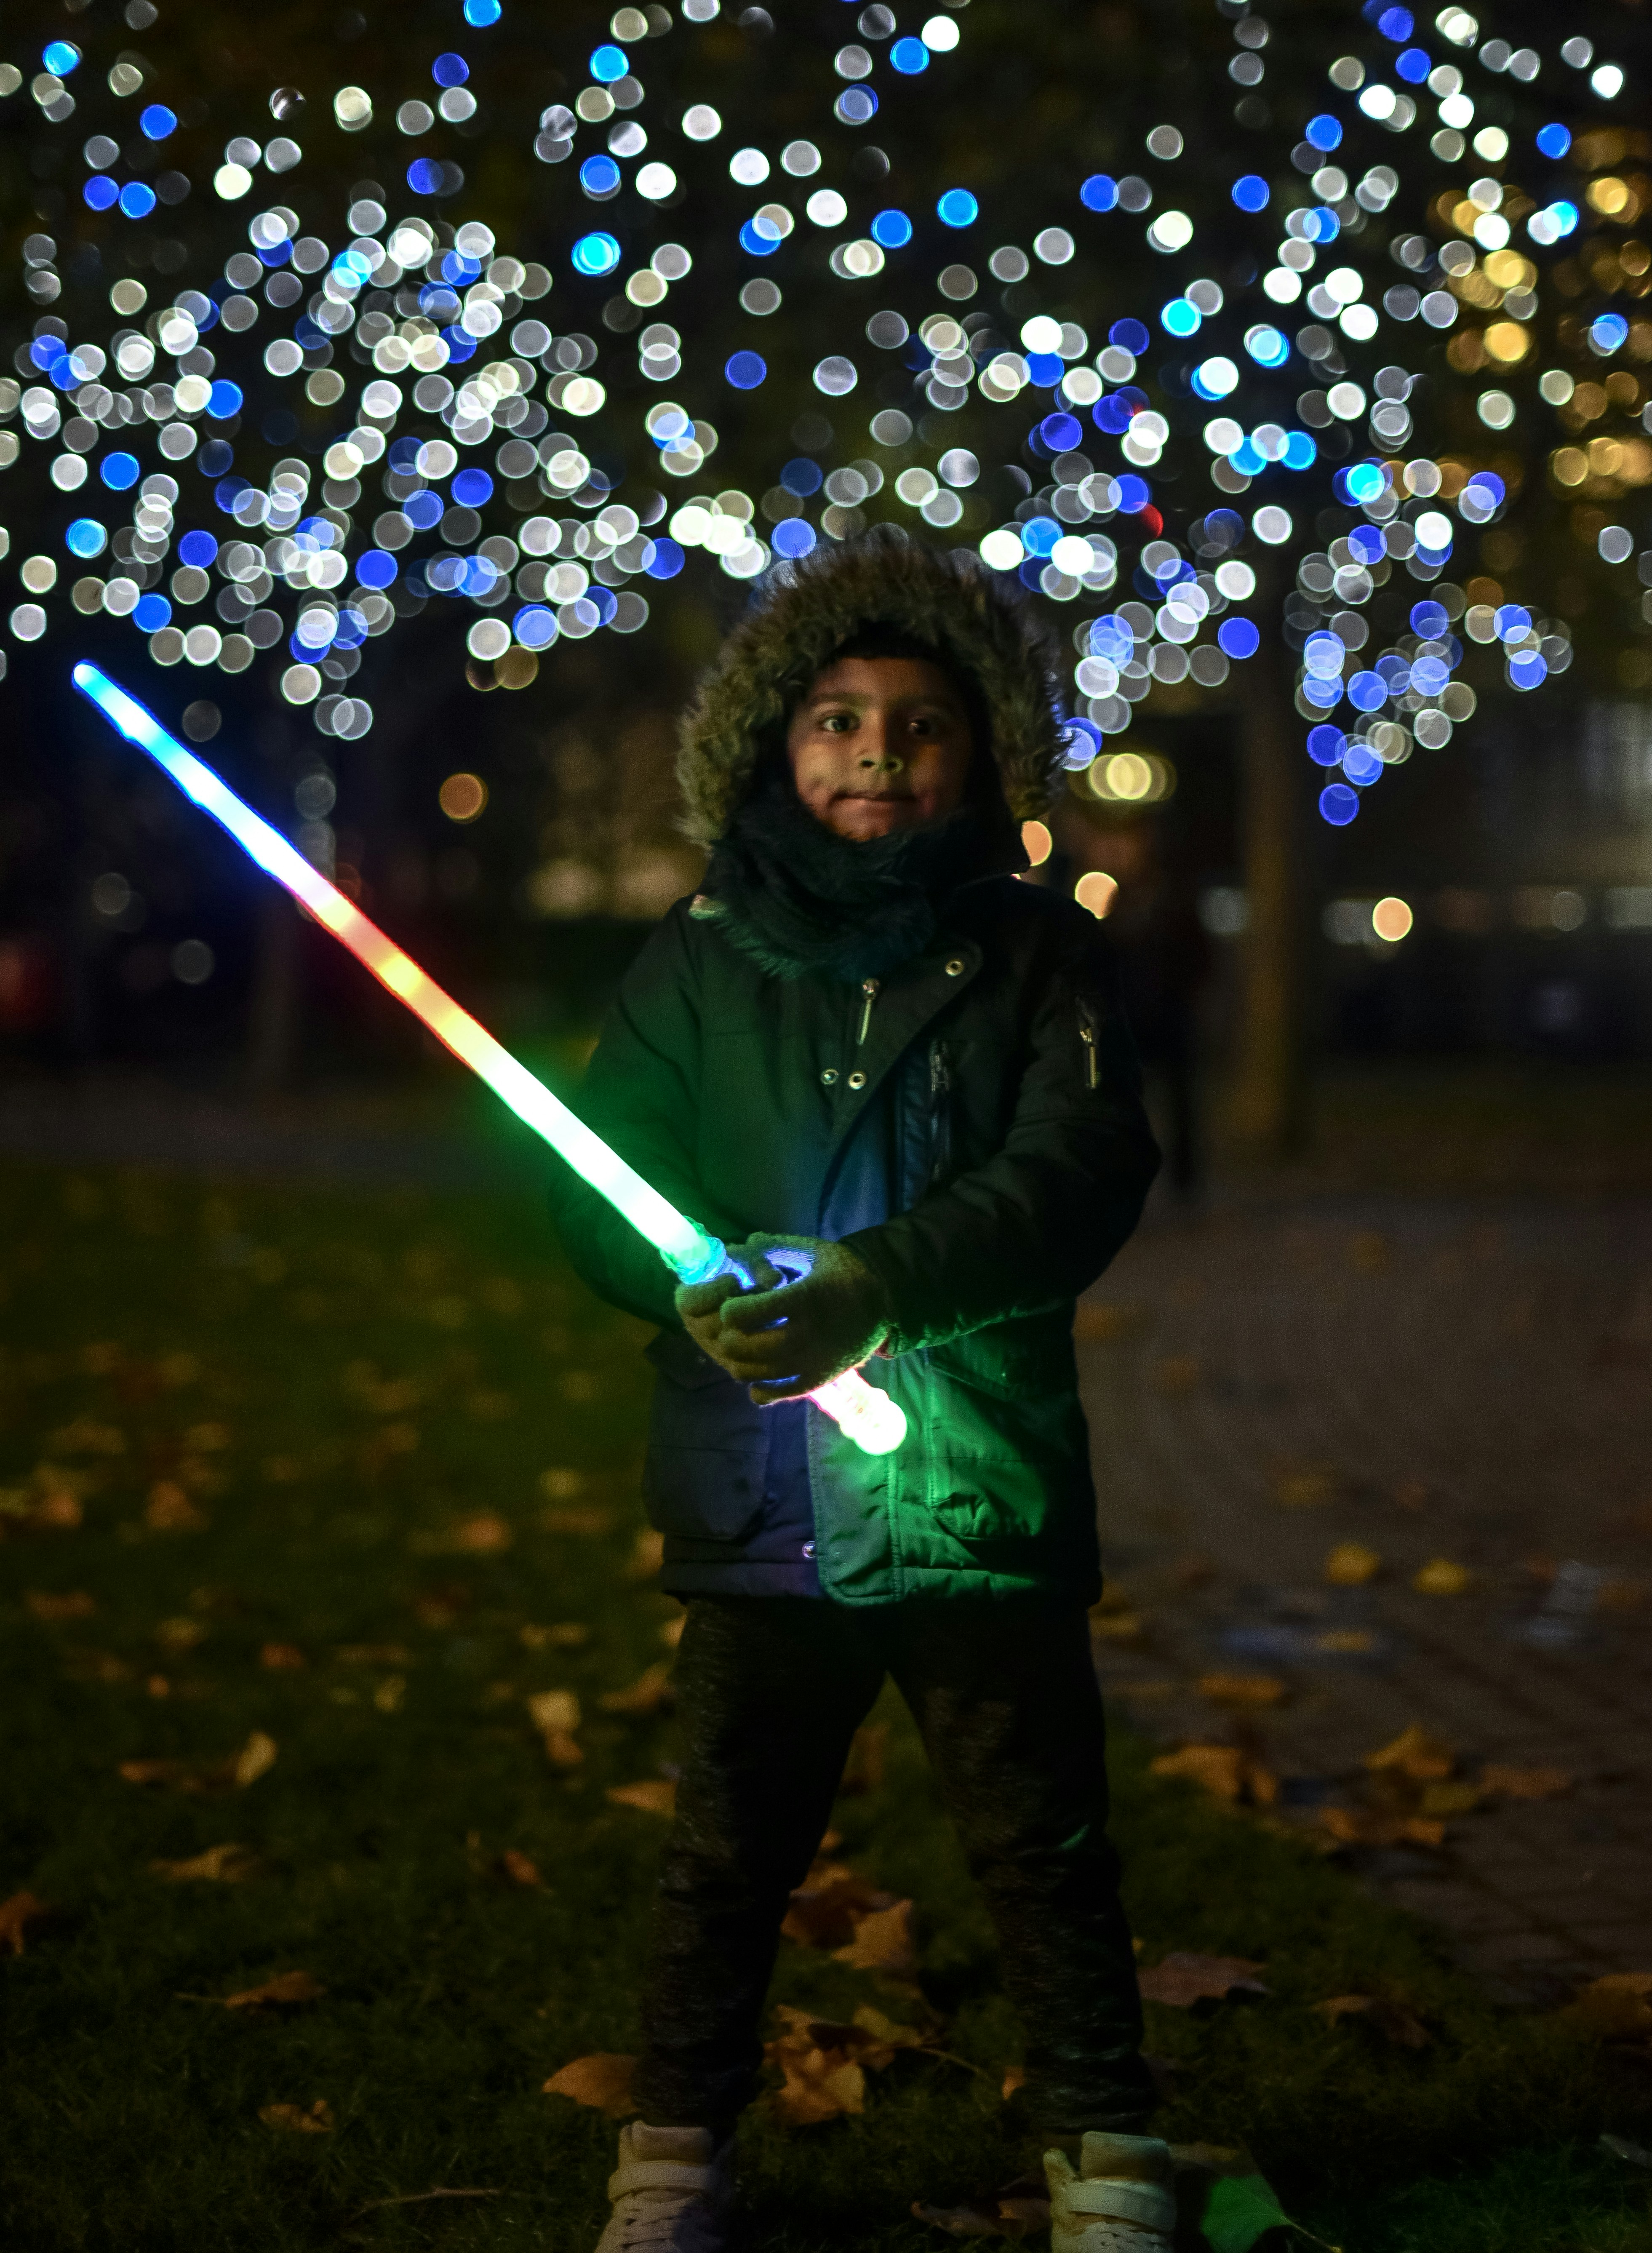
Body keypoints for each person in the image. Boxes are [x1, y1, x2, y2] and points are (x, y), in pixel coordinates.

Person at [549, 534, 1171, 2253]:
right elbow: (600, 1179)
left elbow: (1080, 1168)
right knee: (726, 1849)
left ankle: (1108, 2154)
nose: (875, 755)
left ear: (982, 752)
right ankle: (672, 2157)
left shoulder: (1035, 956)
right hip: (760, 1494)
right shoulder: (696, 962)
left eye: (919, 723)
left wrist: (877, 1285)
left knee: (1042, 1844)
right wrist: (685, 1279)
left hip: (975, 1484)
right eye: (833, 719)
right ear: (771, 742)